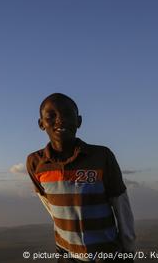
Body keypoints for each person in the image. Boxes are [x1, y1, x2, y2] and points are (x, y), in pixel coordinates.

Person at [26, 93, 136, 263]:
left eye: (67, 114)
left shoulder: (102, 156)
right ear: (41, 124)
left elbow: (120, 204)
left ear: (79, 121)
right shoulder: (35, 163)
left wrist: (128, 250)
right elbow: (49, 203)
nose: (60, 119)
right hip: (67, 255)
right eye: (51, 116)